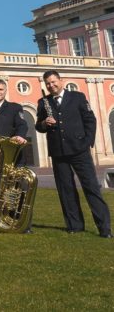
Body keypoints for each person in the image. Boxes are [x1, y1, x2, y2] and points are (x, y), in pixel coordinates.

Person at [35, 70, 111, 238]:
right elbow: (38, 127)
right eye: (48, 83)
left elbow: (90, 120)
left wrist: (87, 143)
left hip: (79, 150)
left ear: (60, 81)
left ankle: (104, 228)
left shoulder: (77, 97)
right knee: (66, 190)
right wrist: (44, 123)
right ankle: (75, 226)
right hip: (58, 152)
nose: (51, 85)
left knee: (91, 188)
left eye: (54, 82)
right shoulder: (43, 102)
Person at [0, 79, 30, 230]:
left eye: (0, 89)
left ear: (5, 91)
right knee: (0, 190)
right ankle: (1, 220)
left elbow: (22, 125)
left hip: (14, 155)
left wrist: (20, 136)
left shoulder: (15, 108)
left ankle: (22, 222)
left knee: (17, 189)